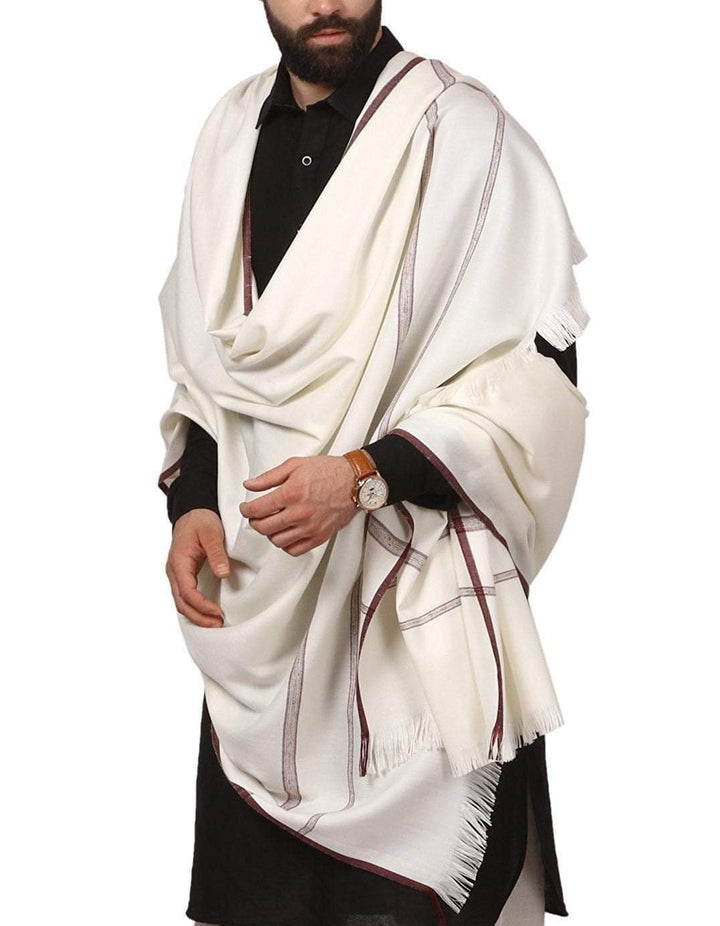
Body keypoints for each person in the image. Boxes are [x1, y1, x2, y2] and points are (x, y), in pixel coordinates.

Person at [157, 3, 589, 924]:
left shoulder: (463, 135)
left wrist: (366, 474)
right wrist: (192, 499)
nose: (326, 2)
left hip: (413, 628)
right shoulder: (229, 133)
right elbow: (205, 363)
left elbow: (541, 381)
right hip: (259, 617)